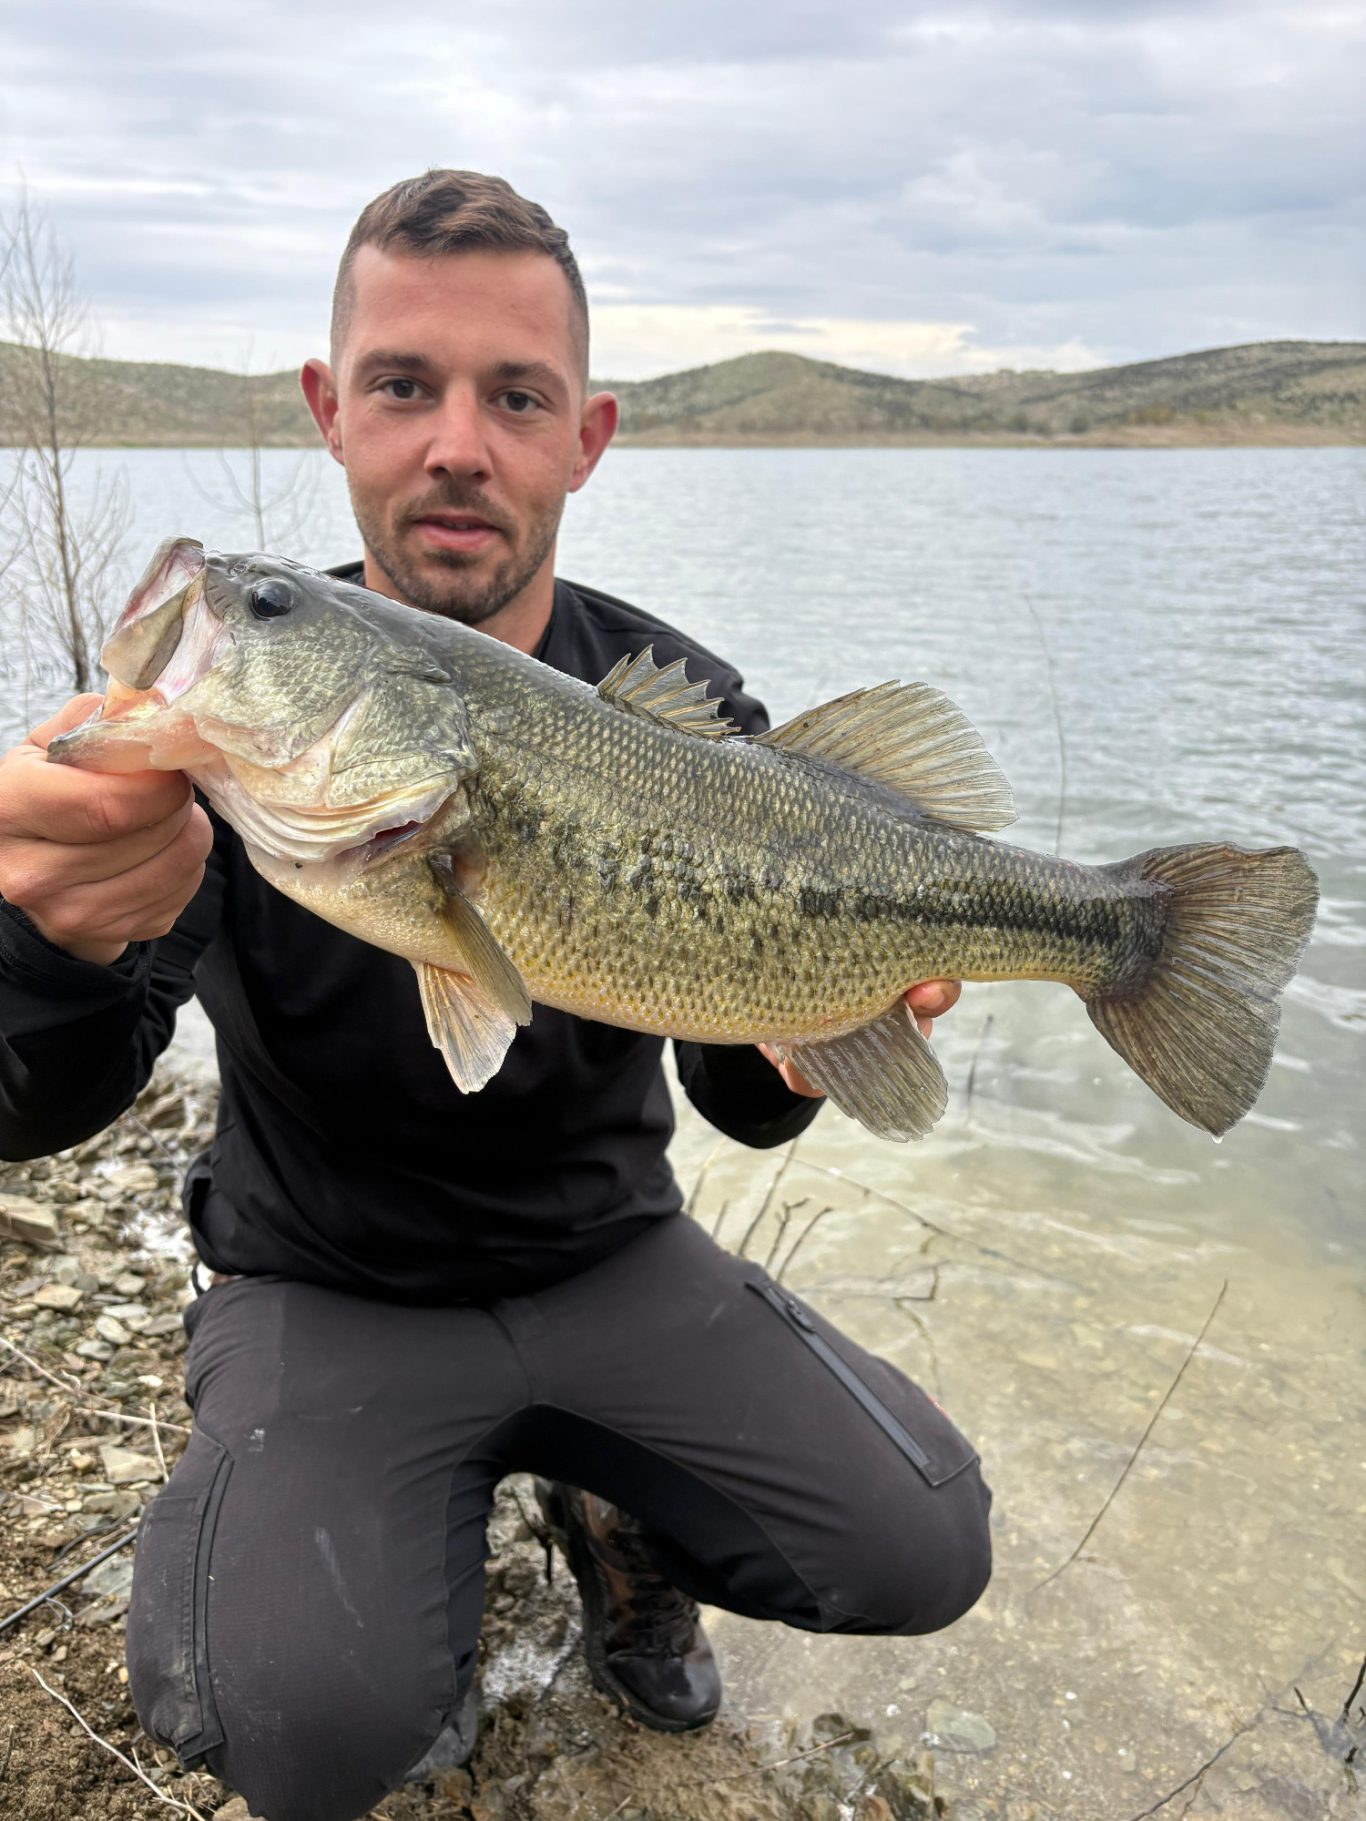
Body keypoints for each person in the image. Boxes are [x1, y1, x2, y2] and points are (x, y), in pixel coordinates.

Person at [0, 172, 991, 1821]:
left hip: (609, 1255)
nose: (457, 444)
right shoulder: (234, 742)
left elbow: (736, 1093)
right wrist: (48, 939)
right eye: (403, 384)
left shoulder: (683, 708)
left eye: (515, 397)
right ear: (330, 409)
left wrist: (821, 1029)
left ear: (584, 438)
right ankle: (417, 1554)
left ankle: (619, 1520)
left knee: (921, 1540)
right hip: (325, 1281)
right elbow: (44, 1100)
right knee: (298, 1718)